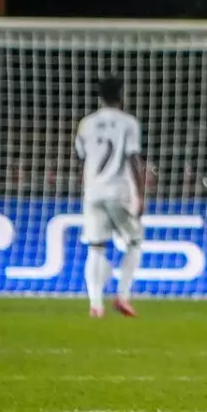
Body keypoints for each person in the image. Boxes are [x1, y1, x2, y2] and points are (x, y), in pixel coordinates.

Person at [74, 76, 145, 318]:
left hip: (93, 191)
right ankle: (122, 296)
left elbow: (81, 155)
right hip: (119, 191)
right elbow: (133, 158)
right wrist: (140, 194)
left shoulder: (86, 123)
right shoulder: (128, 123)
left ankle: (96, 305)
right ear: (121, 95)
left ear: (100, 97)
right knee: (134, 242)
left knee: (96, 247)